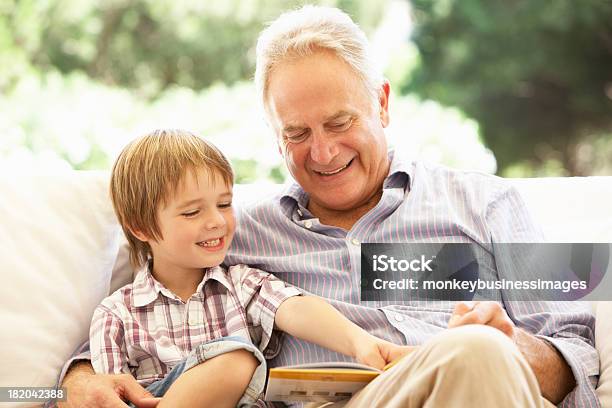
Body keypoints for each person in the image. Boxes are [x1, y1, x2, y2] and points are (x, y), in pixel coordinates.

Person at [57, 5, 599, 408]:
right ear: (273, 136)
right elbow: (133, 324)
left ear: (382, 103)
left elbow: (576, 348)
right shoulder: (235, 233)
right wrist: (81, 383)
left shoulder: (489, 203)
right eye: (296, 133)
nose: (323, 152)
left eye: (340, 123)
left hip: (463, 389)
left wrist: (511, 348)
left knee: (478, 352)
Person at [87, 130, 411, 408]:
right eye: (192, 212)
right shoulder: (116, 315)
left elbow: (296, 309)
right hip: (157, 397)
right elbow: (109, 394)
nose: (216, 221)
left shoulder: (242, 283)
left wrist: (362, 344)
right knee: (237, 358)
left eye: (225, 204)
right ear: (141, 227)